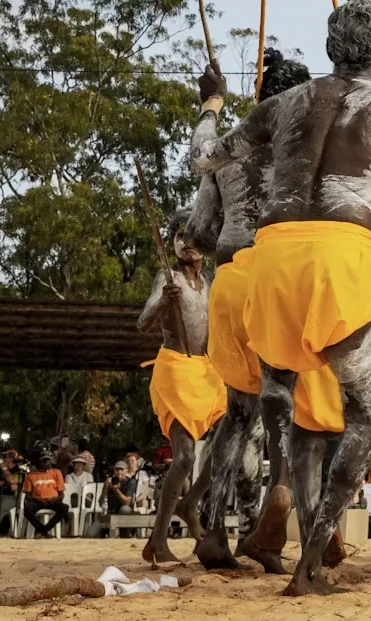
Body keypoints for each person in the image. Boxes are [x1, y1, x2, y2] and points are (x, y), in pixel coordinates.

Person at [198, 1, 371, 595]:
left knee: (284, 401)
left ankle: (287, 517)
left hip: (272, 259)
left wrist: (210, 106)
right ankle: (312, 557)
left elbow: (204, 159)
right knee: (362, 415)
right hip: (342, 258)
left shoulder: (279, 105)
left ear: (331, 47)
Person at [185, 46, 315, 572]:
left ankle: (214, 530)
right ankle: (275, 513)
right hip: (278, 282)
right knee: (282, 403)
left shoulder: (228, 151)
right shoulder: (308, 150)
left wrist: (211, 104)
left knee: (237, 412)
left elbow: (197, 230)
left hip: (229, 281)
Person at [137, 215, 224, 564]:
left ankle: (190, 503)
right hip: (175, 367)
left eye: (193, 235)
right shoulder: (167, 277)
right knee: (185, 456)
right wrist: (162, 302)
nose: (186, 241)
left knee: (230, 442)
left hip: (207, 371)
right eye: (179, 235)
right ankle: (156, 541)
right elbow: (143, 322)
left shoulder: (214, 281)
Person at [21, 452, 67, 538]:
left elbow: (62, 494)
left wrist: (54, 499)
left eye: (48, 460)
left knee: (64, 508)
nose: (46, 463)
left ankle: (43, 530)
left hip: (52, 501)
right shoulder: (31, 475)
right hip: (37, 501)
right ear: (39, 462)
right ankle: (43, 531)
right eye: (44, 461)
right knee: (27, 509)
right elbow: (28, 495)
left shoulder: (56, 473)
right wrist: (38, 500)